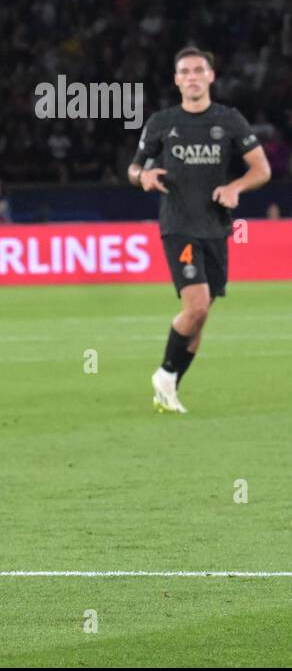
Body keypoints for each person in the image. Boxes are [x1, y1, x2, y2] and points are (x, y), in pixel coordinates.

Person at [128, 47, 270, 413]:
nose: (191, 76)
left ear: (210, 76)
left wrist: (235, 187)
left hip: (216, 227)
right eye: (184, 71)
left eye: (198, 70)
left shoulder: (230, 120)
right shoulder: (162, 122)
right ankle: (163, 375)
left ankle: (170, 381)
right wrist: (142, 176)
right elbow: (133, 169)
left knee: (202, 313)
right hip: (178, 225)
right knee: (195, 307)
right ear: (177, 80)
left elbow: (261, 169)